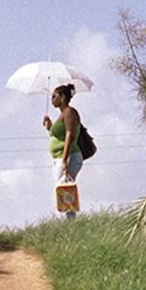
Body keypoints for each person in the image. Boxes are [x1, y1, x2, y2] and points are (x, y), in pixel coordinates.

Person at [43, 83, 84, 214]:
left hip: (68, 156)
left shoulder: (69, 112)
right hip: (60, 158)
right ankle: (69, 222)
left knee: (64, 191)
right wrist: (50, 127)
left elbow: (70, 134)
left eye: (54, 96)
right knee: (62, 192)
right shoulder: (62, 115)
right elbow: (59, 136)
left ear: (63, 97)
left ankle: (70, 222)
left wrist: (65, 159)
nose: (52, 99)